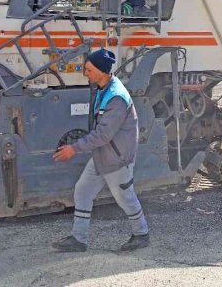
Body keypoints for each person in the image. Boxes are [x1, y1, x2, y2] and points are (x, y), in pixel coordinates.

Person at [52, 49, 149, 252]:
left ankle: (141, 234)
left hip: (116, 159)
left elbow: (103, 135)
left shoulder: (116, 98)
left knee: (125, 198)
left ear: (102, 71)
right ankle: (78, 240)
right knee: (83, 190)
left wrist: (74, 148)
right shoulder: (104, 88)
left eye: (88, 69)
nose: (85, 73)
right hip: (102, 156)